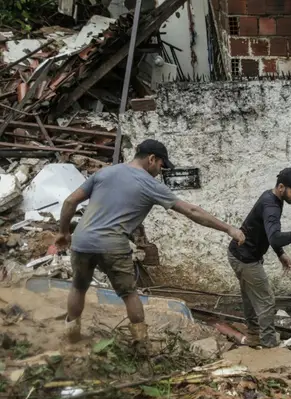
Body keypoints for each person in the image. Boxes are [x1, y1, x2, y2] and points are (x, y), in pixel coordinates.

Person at [55, 139, 245, 349]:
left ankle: (71, 336)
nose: (160, 171)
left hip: (82, 240)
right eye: (161, 165)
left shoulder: (104, 173)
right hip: (112, 244)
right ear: (151, 159)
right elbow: (191, 211)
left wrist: (64, 232)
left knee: (78, 287)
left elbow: (70, 202)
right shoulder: (149, 184)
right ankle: (141, 344)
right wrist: (228, 228)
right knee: (129, 294)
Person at [228, 167, 291, 348]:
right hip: (245, 258)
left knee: (250, 297)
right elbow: (275, 237)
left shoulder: (272, 198)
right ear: (281, 187)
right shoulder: (271, 206)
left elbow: (269, 233)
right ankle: (270, 346)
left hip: (238, 253)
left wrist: (280, 253)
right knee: (266, 300)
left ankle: (254, 336)